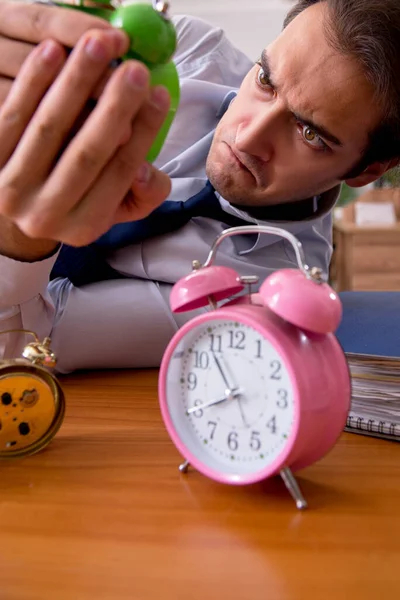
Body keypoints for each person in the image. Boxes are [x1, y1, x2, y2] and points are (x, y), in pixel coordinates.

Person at [0, 0, 398, 372]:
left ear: (366, 171)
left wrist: (20, 228)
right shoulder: (190, 52)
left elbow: (30, 343)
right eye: (265, 80)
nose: (246, 140)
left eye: (311, 135)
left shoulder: (266, 293)